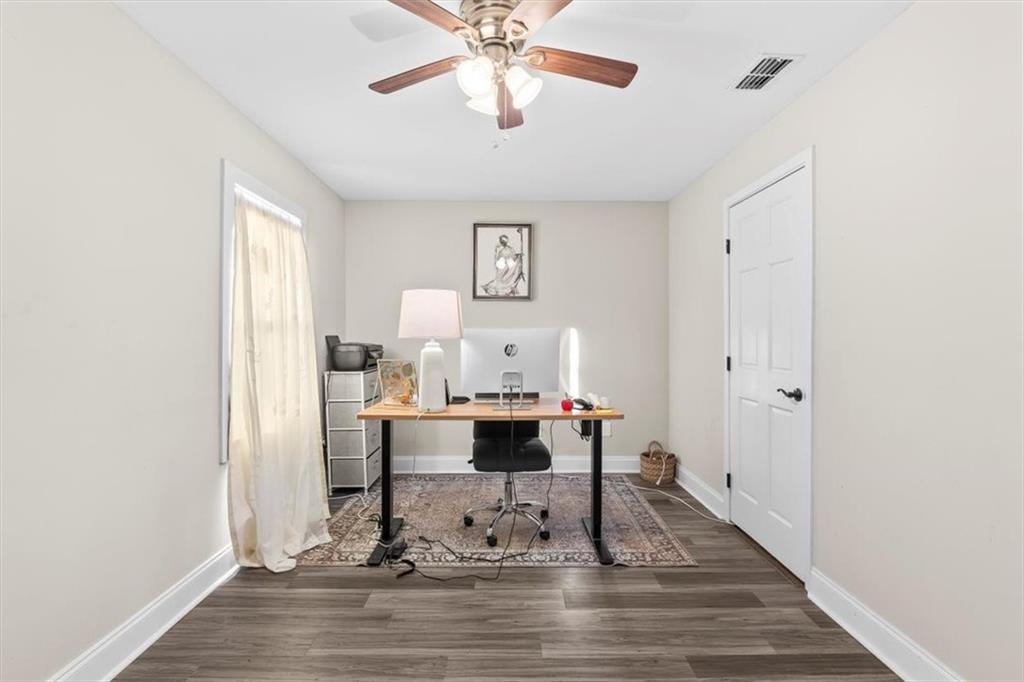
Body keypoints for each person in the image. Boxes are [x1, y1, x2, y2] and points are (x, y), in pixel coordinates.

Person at [483, 230, 524, 296]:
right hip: (504, 266)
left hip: (507, 266)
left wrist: (517, 256)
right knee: (502, 272)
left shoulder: (507, 249)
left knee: (508, 268)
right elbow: (499, 261)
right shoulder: (502, 249)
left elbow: (511, 258)